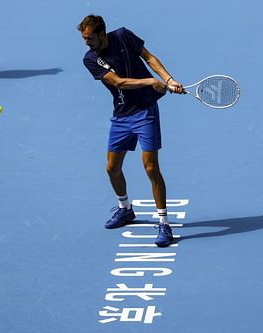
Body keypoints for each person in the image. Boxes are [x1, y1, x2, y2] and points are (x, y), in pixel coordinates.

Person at [77, 14, 183, 247]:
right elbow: (118, 82)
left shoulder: (124, 35)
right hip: (122, 116)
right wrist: (151, 82)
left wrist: (168, 79)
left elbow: (150, 58)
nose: (86, 42)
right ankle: (125, 209)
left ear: (102, 34)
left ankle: (164, 223)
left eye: (89, 38)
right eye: (84, 38)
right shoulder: (91, 58)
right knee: (112, 168)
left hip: (145, 111)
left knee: (151, 167)